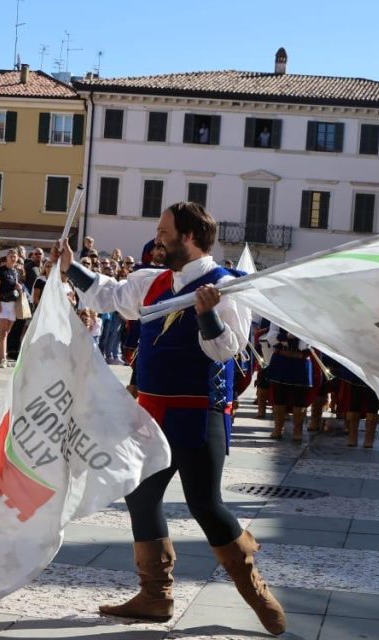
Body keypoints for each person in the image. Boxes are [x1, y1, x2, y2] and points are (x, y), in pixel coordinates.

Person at [53, 202, 286, 635]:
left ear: (190, 237)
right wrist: (71, 267)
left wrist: (208, 312)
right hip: (151, 412)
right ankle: (155, 596)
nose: (156, 238)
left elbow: (227, 351)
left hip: (198, 416)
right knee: (141, 497)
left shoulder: (228, 286)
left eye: (164, 231)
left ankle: (256, 591)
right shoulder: (150, 281)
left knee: (205, 505)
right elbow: (108, 295)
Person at [266, 327, 314, 443]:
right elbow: (271, 337)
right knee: (279, 397)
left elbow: (308, 342)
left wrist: (299, 335)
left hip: (301, 359)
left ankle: (297, 430)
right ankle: (278, 428)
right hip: (282, 358)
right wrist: (285, 337)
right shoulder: (279, 315)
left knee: (300, 399)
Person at [0, 250, 21, 368]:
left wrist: (19, 287)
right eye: (11, 256)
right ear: (7, 258)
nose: (13, 258)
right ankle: (3, 358)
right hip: (2, 303)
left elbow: (16, 287)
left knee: (6, 332)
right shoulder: (0, 271)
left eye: (15, 256)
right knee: (3, 331)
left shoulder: (15, 272)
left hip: (13, 304)